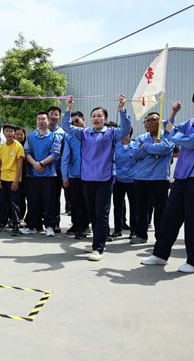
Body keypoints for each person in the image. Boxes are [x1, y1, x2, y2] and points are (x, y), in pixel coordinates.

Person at [142, 86, 194, 273]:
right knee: (170, 215)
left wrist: (173, 132)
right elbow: (169, 129)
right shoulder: (192, 121)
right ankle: (160, 254)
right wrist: (173, 113)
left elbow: (191, 141)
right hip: (182, 173)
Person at [63, 95, 130, 261]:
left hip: (104, 179)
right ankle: (97, 242)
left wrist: (122, 109)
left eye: (100, 116)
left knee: (101, 213)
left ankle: (98, 248)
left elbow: (126, 129)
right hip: (87, 178)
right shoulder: (84, 133)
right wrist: (69, 108)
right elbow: (66, 126)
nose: (96, 118)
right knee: (92, 212)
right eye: (94, 116)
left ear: (105, 119)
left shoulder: (111, 133)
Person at [130, 112, 175, 244]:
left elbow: (164, 149)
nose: (149, 123)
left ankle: (160, 237)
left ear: (160, 122)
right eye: (146, 121)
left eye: (152, 120)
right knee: (141, 208)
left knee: (160, 209)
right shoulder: (141, 137)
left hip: (159, 178)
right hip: (141, 178)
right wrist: (154, 148)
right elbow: (135, 153)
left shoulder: (166, 135)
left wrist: (146, 147)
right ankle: (141, 235)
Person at [20, 111, 62, 237]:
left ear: (48, 121)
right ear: (36, 121)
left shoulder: (54, 136)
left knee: (49, 202)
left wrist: (41, 164)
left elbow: (55, 154)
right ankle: (31, 226)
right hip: (33, 175)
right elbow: (26, 152)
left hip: (49, 175)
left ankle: (49, 226)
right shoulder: (31, 137)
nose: (41, 121)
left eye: (43, 119)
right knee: (33, 201)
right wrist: (34, 164)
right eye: (39, 119)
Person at [61, 111, 90, 239]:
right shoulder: (69, 138)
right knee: (76, 203)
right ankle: (79, 227)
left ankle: (86, 225)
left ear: (83, 119)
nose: (75, 124)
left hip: (91, 175)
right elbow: (65, 158)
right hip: (75, 175)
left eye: (77, 121)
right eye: (72, 123)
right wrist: (65, 176)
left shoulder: (92, 134)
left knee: (88, 203)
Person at [0, 123, 25, 236]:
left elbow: (20, 165)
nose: (9, 133)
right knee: (2, 202)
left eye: (11, 131)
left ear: (14, 133)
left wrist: (16, 180)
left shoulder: (18, 146)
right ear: (3, 133)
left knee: (15, 203)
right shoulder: (2, 146)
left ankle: (16, 224)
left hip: (14, 179)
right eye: (7, 131)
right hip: (3, 178)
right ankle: (2, 221)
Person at [111, 128, 137, 240]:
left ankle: (134, 231)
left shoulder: (135, 145)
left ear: (130, 134)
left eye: (126, 133)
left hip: (133, 179)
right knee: (118, 205)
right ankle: (118, 229)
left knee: (134, 206)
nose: (124, 135)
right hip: (118, 179)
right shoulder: (115, 146)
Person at [47, 106, 66, 233]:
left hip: (57, 169)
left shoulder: (63, 133)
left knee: (55, 197)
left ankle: (55, 222)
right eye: (51, 114)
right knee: (44, 197)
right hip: (43, 169)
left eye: (56, 114)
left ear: (59, 117)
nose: (53, 116)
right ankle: (43, 222)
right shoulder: (41, 131)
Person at [14, 127, 28, 224]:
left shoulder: (27, 146)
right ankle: (13, 218)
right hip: (12, 175)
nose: (19, 136)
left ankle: (21, 217)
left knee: (22, 197)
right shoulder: (11, 145)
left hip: (25, 176)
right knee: (14, 198)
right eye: (17, 134)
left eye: (21, 134)